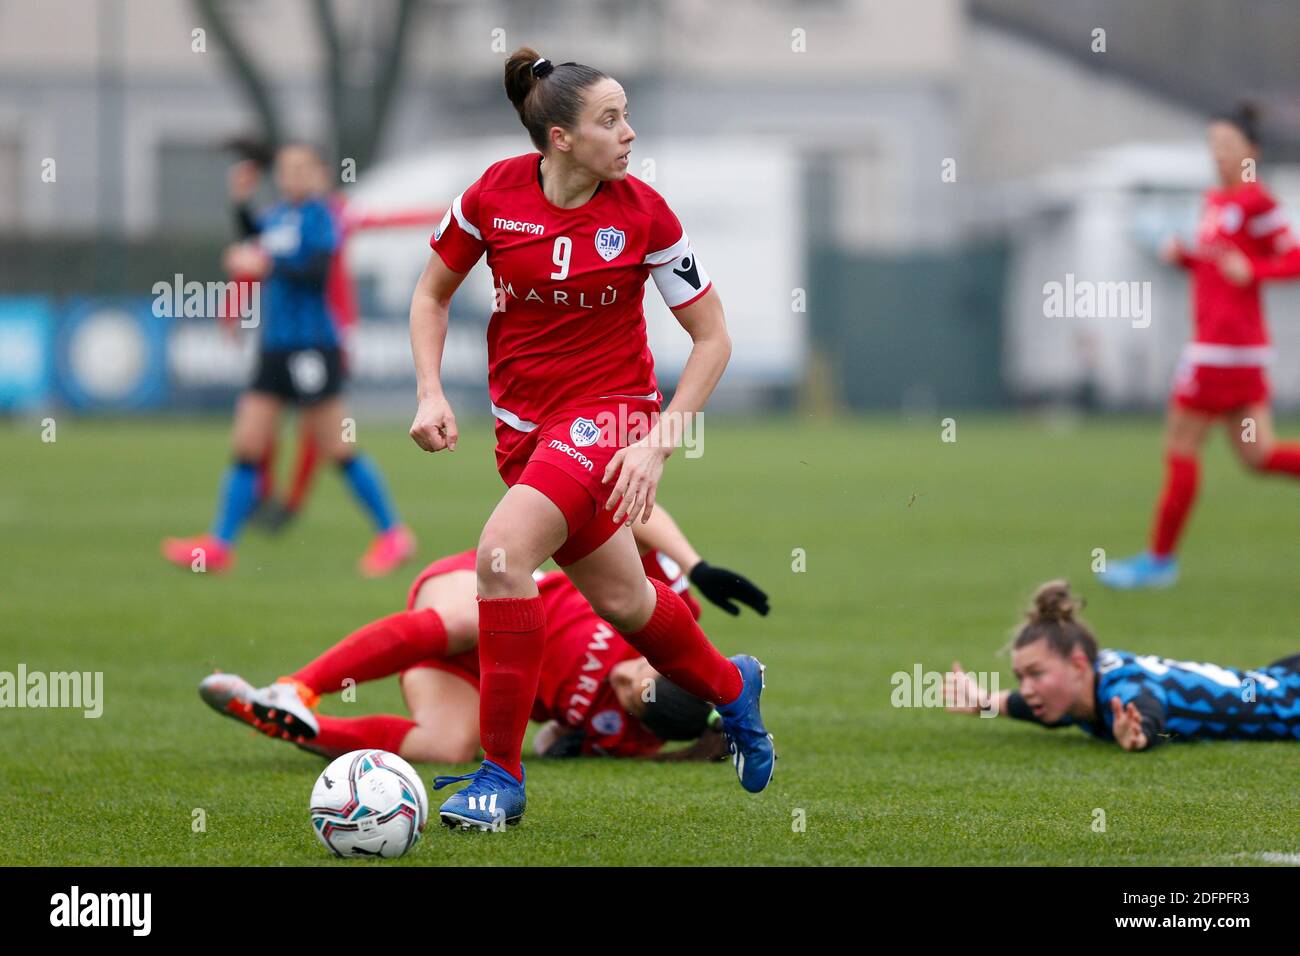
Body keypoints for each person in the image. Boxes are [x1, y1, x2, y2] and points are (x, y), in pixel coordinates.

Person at [406, 48, 775, 828]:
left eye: (628, 114)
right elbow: (432, 295)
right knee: (627, 599)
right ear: (561, 139)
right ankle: (733, 688)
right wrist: (430, 390)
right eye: (610, 120)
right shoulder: (492, 196)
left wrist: (656, 442)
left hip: (610, 418)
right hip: (524, 433)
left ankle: (500, 779)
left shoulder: (646, 213)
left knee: (501, 558)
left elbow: (713, 339)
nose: (629, 133)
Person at [198, 505, 768, 776]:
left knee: (446, 747)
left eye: (626, 698)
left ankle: (287, 721)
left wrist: (704, 747)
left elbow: (550, 744)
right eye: (639, 672)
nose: (620, 679)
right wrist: (697, 564)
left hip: (468, 676)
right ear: (670, 664)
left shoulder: (632, 740)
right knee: (474, 620)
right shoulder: (672, 617)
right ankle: (298, 688)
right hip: (480, 592)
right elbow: (634, 510)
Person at [162, 143, 416, 577]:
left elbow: (314, 271)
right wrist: (241, 202)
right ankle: (220, 545)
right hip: (274, 347)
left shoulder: (321, 216)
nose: (293, 176)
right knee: (247, 445)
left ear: (319, 174)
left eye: (302, 169)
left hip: (312, 347)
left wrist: (263, 264)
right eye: (286, 169)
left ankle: (393, 534)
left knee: (337, 447)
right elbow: (254, 237)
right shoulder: (277, 216)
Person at [1097, 103, 1300, 590]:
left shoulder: (1257, 203)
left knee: (1181, 444)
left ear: (1251, 152)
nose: (1219, 155)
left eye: (1228, 147)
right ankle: (1159, 561)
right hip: (1239, 357)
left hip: (1220, 353)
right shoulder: (1216, 200)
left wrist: (1256, 271)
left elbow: (1293, 258)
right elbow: (1218, 264)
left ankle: (1159, 562)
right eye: (1213, 146)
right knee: (1258, 454)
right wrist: (1185, 256)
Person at [945, 580, 1300, 750]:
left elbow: (1146, 709)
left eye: (1036, 674)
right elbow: (1024, 704)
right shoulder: (1073, 696)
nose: (1027, 689)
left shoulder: (1122, 687)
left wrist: (1137, 734)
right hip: (1280, 679)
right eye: (1021, 677)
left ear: (1079, 665)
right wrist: (983, 702)